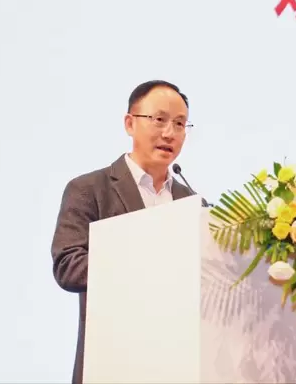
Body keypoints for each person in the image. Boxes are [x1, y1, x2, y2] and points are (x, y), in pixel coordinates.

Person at [50, 80, 205, 384]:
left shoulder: (192, 202)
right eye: (159, 119)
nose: (170, 133)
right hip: (112, 362)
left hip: (177, 363)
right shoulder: (89, 189)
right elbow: (68, 267)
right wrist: (143, 260)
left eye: (180, 124)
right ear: (130, 123)